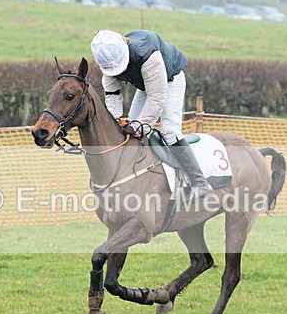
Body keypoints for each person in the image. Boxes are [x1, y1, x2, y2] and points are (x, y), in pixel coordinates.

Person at [90, 29, 214, 198]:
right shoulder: (107, 58)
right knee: (131, 131)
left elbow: (157, 98)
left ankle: (199, 182)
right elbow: (112, 95)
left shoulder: (147, 55)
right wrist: (116, 120)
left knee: (170, 131)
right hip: (146, 83)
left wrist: (138, 126)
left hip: (171, 80)